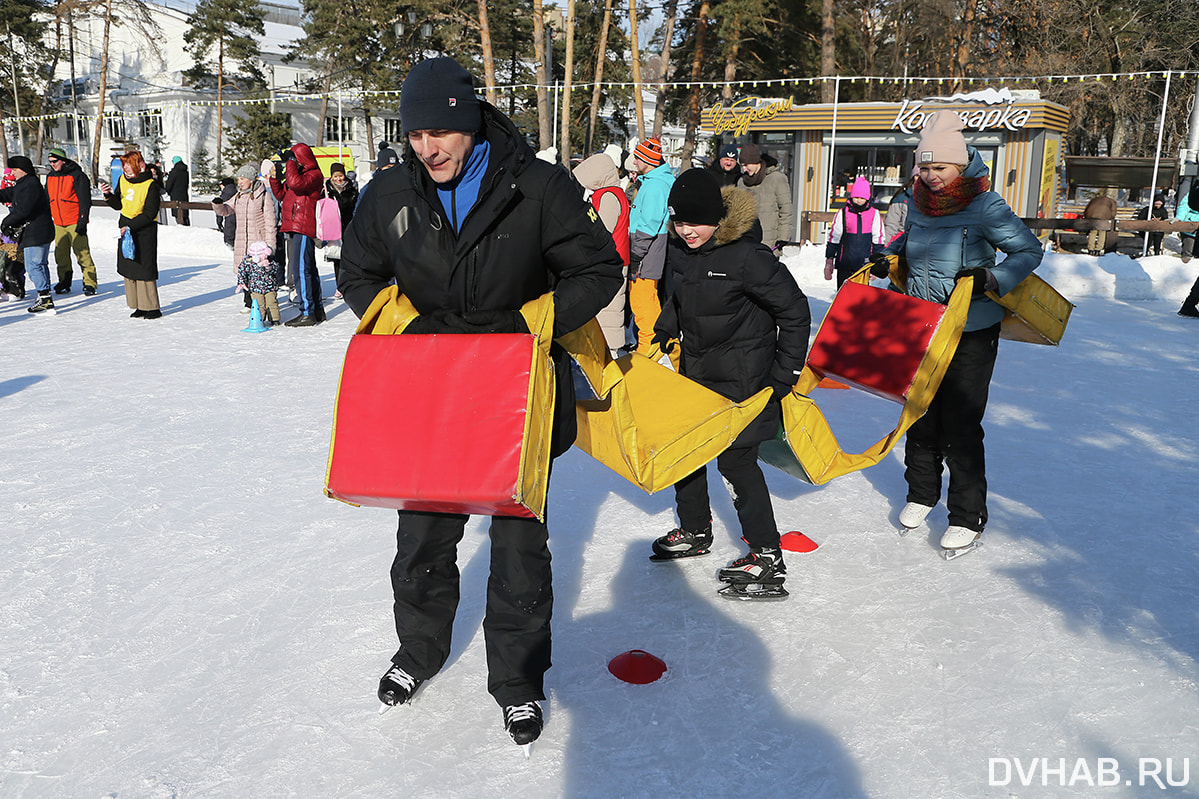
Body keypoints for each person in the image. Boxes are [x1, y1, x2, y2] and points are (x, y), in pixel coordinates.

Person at [337, 56, 622, 747]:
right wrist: (397, 321)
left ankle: (518, 679)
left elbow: (598, 268)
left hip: (516, 393)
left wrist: (538, 318)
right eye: (414, 134)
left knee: (521, 545)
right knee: (422, 538)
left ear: (467, 122)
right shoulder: (387, 193)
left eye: (439, 131)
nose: (426, 146)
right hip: (428, 392)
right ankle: (419, 650)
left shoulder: (538, 186)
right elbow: (357, 271)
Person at [872, 110, 1042, 556]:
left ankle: (968, 516)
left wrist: (993, 279)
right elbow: (903, 244)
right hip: (922, 326)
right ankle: (921, 492)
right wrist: (886, 258)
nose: (931, 177)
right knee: (921, 414)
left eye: (939, 167)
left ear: (961, 164)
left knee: (961, 424)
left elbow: (1028, 250)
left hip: (970, 329)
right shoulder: (916, 204)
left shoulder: (985, 205)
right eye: (924, 167)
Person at [648, 168, 811, 599]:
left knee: (736, 464)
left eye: (696, 221)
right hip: (697, 378)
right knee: (687, 453)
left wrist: (784, 374)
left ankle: (767, 556)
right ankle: (696, 529)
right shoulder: (683, 251)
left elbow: (794, 313)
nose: (687, 231)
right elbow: (679, 297)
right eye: (680, 221)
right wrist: (667, 327)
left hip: (745, 381)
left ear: (719, 217)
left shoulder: (747, 257)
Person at [573, 152, 630, 350]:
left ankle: (610, 349)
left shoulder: (609, 196)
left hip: (610, 260)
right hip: (615, 259)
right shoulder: (612, 193)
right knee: (608, 308)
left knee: (609, 310)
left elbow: (601, 230)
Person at [100, 150, 163, 319]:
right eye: (124, 165)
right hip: (125, 227)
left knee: (144, 268)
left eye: (129, 165)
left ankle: (151, 307)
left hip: (144, 230)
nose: (126, 169)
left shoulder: (151, 185)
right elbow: (119, 205)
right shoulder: (123, 180)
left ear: (140, 165)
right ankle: (138, 305)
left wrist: (129, 227)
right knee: (129, 265)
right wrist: (108, 195)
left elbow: (150, 213)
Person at [626, 137, 675, 354]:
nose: (634, 162)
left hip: (646, 255)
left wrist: (635, 253)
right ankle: (650, 348)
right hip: (647, 252)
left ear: (648, 160)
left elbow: (649, 224)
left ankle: (649, 353)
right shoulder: (653, 181)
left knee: (643, 304)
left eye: (637, 158)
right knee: (645, 302)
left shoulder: (655, 186)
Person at [269, 142, 325, 326]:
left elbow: (295, 184)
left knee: (301, 270)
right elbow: (281, 195)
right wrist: (275, 178)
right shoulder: (299, 175)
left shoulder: (314, 175)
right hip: (295, 226)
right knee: (307, 268)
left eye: (295, 158)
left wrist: (291, 162)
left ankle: (307, 312)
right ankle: (316, 309)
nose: (292, 162)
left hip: (304, 226)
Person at [213, 162, 277, 313]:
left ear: (251, 179)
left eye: (242, 179)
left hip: (259, 242)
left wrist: (270, 245)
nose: (239, 182)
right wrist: (218, 205)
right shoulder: (239, 196)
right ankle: (248, 302)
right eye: (238, 179)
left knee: (259, 274)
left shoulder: (263, 195)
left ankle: (262, 303)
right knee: (245, 272)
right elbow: (226, 210)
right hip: (242, 240)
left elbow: (270, 221)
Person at [0, 155, 55, 313]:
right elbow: (9, 194)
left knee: (34, 266)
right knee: (39, 265)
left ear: (23, 170)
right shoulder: (24, 183)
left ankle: (45, 298)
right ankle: (45, 296)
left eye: (15, 170)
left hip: (37, 232)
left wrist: (6, 222)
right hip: (38, 231)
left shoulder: (30, 185)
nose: (13, 173)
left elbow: (24, 209)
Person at [45, 148, 98, 296]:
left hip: (74, 221)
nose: (52, 165)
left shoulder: (77, 176)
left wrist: (82, 220)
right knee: (60, 254)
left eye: (55, 161)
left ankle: (89, 283)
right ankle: (64, 281)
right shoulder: (50, 177)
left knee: (82, 253)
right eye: (50, 162)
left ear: (63, 160)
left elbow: (85, 200)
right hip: (58, 222)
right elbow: (46, 200)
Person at [824, 176, 884, 286]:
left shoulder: (874, 214)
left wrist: (877, 263)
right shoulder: (843, 213)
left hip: (864, 262)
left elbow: (878, 239)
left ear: (867, 198)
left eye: (862, 198)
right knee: (843, 293)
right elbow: (834, 237)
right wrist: (829, 260)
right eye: (856, 197)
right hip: (845, 261)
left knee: (860, 296)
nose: (859, 200)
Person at [737, 143, 794, 251]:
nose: (744, 169)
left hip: (770, 242)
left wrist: (783, 237)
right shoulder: (742, 182)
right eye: (742, 166)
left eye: (746, 165)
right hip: (746, 241)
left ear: (755, 162)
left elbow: (786, 210)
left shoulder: (777, 179)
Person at [323, 162, 358, 295]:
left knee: (349, 256)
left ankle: (350, 283)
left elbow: (356, 205)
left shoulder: (351, 187)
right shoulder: (327, 188)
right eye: (336, 176)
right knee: (336, 257)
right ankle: (340, 286)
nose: (339, 179)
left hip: (348, 224)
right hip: (333, 227)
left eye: (341, 175)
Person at [237, 240, 282, 325]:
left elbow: (276, 269)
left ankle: (274, 319)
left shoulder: (270, 260)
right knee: (258, 305)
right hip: (255, 288)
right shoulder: (248, 260)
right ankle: (259, 320)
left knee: (272, 303)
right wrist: (241, 282)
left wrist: (268, 267)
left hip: (270, 287)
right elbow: (242, 271)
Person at [883, 170, 918, 243]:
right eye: (918, 175)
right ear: (914, 177)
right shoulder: (901, 199)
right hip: (902, 243)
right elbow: (891, 225)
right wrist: (886, 248)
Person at [163, 156, 190, 226]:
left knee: (178, 216)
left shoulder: (174, 172)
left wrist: (168, 191)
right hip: (184, 196)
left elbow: (169, 185)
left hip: (175, 196)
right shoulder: (185, 172)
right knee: (185, 216)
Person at [1176, 181, 1199, 264]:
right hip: (1190, 225)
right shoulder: (1193, 190)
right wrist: (1179, 217)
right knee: (1187, 255)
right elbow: (1184, 205)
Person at [214, 177, 237, 248]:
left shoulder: (225, 194)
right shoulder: (237, 192)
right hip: (239, 218)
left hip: (229, 220)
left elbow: (220, 209)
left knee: (229, 240)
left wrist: (219, 222)